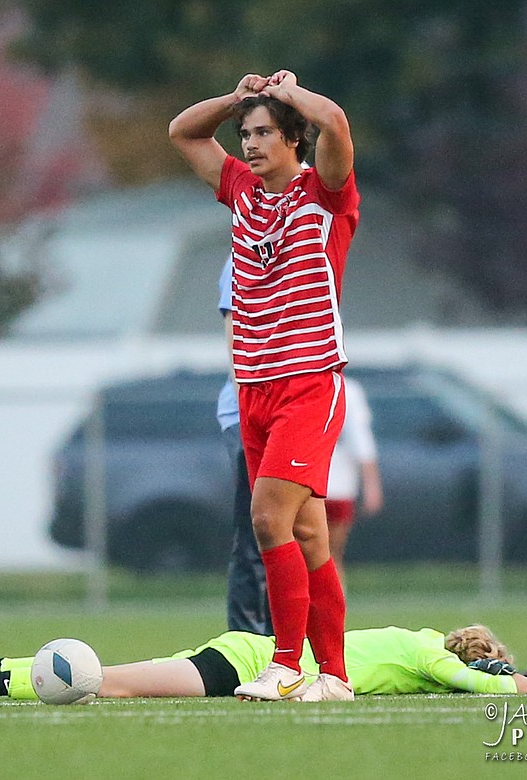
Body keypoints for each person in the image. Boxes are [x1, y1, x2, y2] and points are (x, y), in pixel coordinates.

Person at [169, 71, 359, 702]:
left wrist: (291, 92)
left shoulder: (324, 195)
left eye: (263, 132)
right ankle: (334, 676)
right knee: (307, 533)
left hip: (309, 382)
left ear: (293, 138)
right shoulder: (241, 192)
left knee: (266, 518)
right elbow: (182, 132)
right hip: (252, 389)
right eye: (245, 134)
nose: (248, 144)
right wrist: (235, 98)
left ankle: (285, 663)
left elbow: (336, 123)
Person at [0, 624, 527, 703]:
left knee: (117, 683)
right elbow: (471, 683)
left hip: (243, 652)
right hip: (244, 660)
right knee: (106, 681)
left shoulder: (411, 638)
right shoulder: (427, 654)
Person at [217, 254, 271, 635]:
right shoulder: (245, 253)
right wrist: (249, 402)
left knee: (299, 533)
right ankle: (249, 639)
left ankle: (291, 639)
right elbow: (235, 326)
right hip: (250, 411)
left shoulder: (308, 243)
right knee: (258, 530)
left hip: (294, 409)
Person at [324, 377, 383, 587]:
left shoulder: (346, 390)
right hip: (337, 486)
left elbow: (360, 441)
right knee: (329, 557)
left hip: (314, 483)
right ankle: (328, 614)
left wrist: (371, 485)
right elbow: (362, 441)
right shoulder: (349, 390)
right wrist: (371, 485)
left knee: (315, 557)